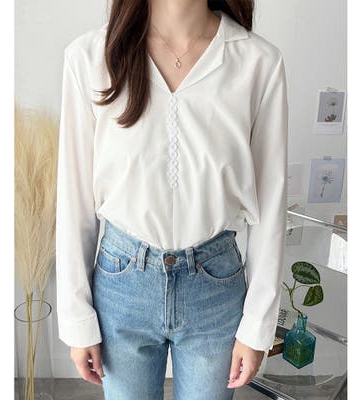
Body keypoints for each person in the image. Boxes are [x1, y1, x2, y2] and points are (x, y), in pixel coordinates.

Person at [55, 0, 288, 398]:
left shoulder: (257, 63)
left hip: (215, 288)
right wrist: (77, 319)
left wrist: (257, 325)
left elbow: (270, 204)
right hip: (122, 284)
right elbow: (74, 198)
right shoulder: (91, 58)